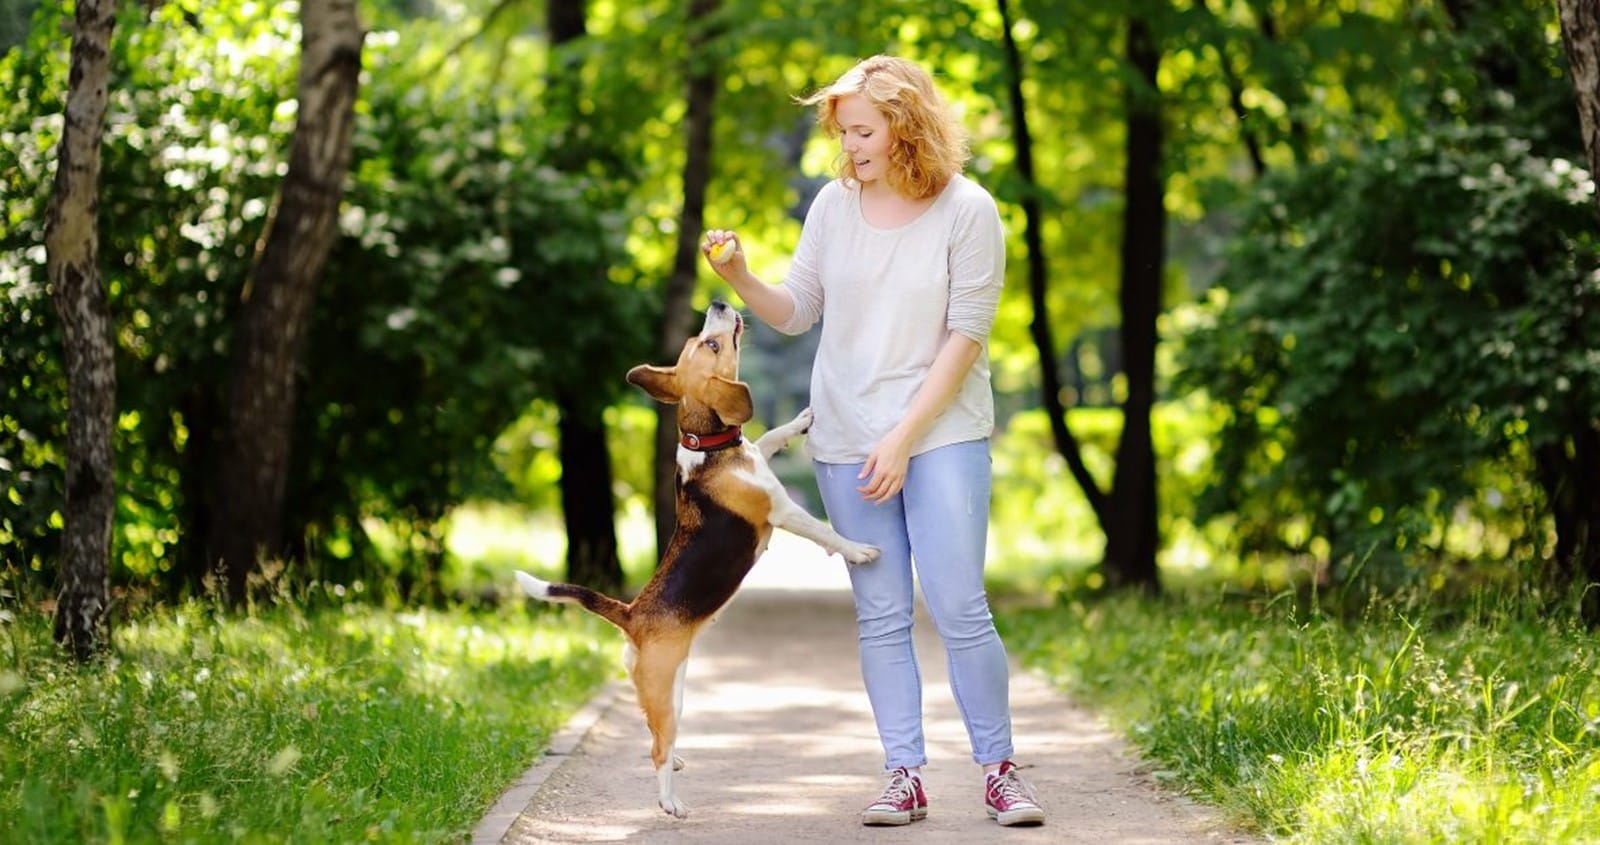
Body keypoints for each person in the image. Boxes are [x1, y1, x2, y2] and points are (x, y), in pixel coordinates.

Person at [702, 54, 1046, 828]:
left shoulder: (969, 210)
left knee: (959, 604)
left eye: (863, 129)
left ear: (906, 124)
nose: (849, 145)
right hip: (846, 434)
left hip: (942, 431)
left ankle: (999, 770)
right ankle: (904, 773)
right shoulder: (833, 206)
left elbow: (966, 339)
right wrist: (742, 276)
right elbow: (795, 311)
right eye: (843, 130)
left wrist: (902, 437)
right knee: (882, 613)